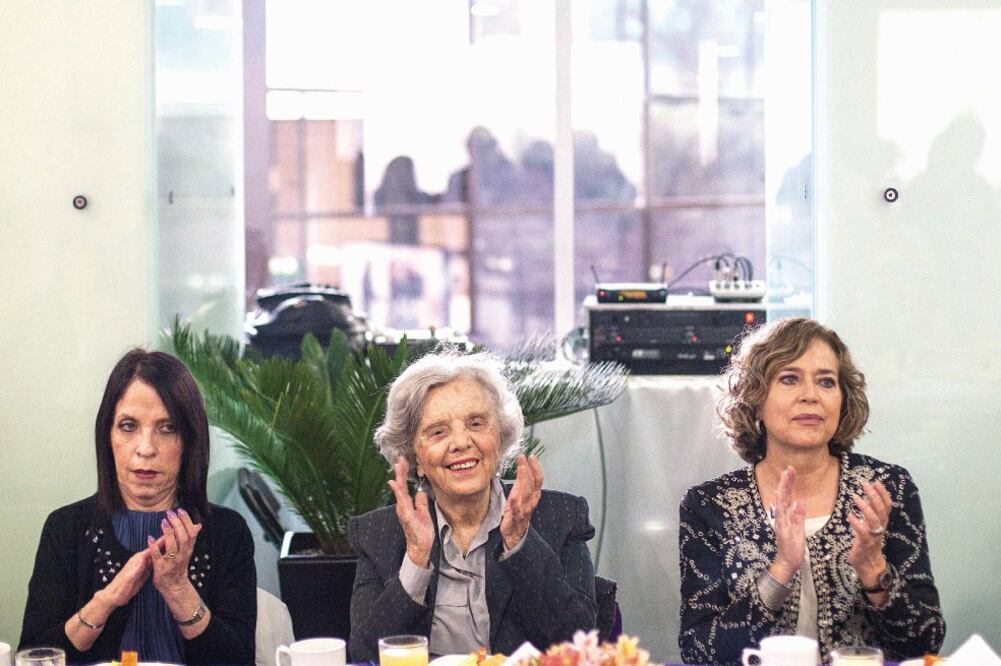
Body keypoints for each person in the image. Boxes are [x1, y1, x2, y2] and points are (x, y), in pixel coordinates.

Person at [678, 318, 944, 665]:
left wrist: (874, 569)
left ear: (842, 400)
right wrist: (780, 570)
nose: (810, 395)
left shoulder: (885, 488)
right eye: (790, 379)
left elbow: (926, 643)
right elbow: (697, 650)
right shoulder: (709, 506)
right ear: (755, 398)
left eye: (826, 381)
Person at [348, 350, 597, 661]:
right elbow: (364, 656)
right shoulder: (379, 534)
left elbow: (581, 645)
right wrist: (416, 560)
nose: (461, 442)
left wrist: (519, 543)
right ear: (415, 459)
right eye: (438, 432)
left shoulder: (561, 517)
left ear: (500, 439)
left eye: (476, 423)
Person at [19, 349, 256, 665]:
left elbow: (239, 661)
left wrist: (178, 589)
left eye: (167, 428)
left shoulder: (227, 532)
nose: (145, 449)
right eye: (128, 426)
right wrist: (107, 600)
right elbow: (35, 657)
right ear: (108, 435)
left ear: (189, 441)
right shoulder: (67, 528)